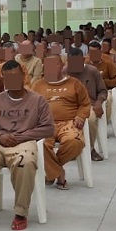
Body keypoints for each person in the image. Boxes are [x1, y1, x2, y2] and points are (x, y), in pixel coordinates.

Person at [0, 61, 55, 231]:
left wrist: (20, 136)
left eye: (16, 76)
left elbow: (48, 128)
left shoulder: (37, 101)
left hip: (23, 143)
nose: (12, 81)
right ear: (4, 80)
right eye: (8, 78)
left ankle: (21, 211)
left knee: (25, 162)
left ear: (23, 76)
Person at [31, 55, 91, 190]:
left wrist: (80, 116)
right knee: (41, 144)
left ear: (62, 65)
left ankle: (51, 172)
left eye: (54, 65)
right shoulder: (38, 85)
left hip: (69, 123)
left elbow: (85, 104)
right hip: (45, 123)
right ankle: (59, 173)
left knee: (75, 142)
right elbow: (30, 105)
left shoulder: (74, 83)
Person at [66, 50, 108, 162]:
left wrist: (99, 102)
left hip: (89, 105)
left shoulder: (92, 71)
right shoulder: (64, 72)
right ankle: (71, 149)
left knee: (90, 119)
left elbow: (103, 91)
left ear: (83, 60)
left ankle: (89, 149)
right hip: (69, 107)